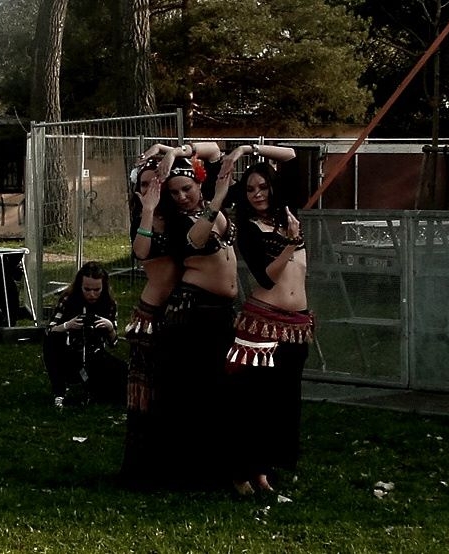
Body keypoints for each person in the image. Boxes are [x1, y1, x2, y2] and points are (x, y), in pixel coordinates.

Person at [120, 142, 221, 487]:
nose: (153, 188)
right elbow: (140, 252)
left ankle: (181, 462)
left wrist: (172, 150)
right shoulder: (144, 219)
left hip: (178, 312)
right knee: (147, 391)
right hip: (150, 314)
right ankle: (145, 469)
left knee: (174, 388)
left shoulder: (181, 215)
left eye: (157, 182)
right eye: (145, 184)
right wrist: (148, 209)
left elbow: (214, 152)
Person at [219, 144, 315, 496]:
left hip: (296, 326)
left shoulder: (287, 215)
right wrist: (290, 244)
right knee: (254, 402)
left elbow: (291, 156)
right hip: (263, 325)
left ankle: (263, 472)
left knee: (282, 404)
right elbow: (266, 277)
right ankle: (241, 473)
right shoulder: (248, 228)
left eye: (263, 186)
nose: (257, 194)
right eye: (250, 189)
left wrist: (248, 148)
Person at [155, 143, 238, 489]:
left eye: (186, 189)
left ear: (198, 183)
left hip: (222, 311)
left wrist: (175, 152)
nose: (181, 197)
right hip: (195, 311)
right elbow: (195, 241)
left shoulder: (211, 206)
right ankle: (194, 470)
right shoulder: (176, 223)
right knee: (200, 389)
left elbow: (216, 150)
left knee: (223, 389)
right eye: (174, 192)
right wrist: (216, 200)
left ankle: (219, 466)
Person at [42, 261, 127, 408]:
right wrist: (68, 325)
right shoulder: (68, 299)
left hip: (95, 354)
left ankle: (95, 389)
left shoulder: (109, 304)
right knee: (51, 341)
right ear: (79, 286)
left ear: (103, 287)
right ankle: (59, 391)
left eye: (97, 290)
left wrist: (110, 328)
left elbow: (114, 343)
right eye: (87, 289)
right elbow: (49, 330)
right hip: (69, 353)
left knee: (123, 376)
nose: (92, 294)